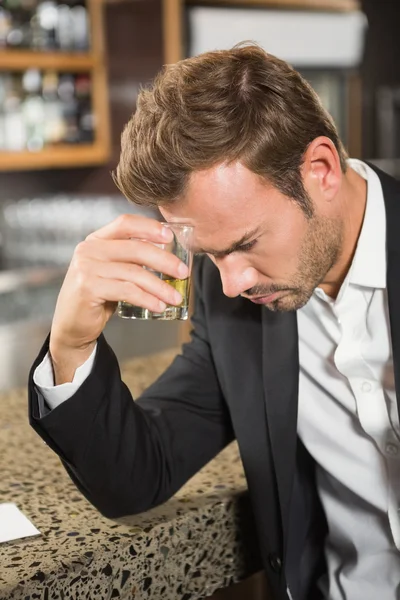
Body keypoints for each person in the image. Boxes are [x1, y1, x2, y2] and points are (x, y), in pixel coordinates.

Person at [28, 44, 400, 600]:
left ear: (320, 169)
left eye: (245, 244)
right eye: (209, 254)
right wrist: (72, 342)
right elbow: (138, 474)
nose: (231, 283)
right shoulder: (232, 295)